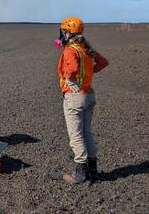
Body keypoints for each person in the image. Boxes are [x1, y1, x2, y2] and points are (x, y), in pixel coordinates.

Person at [56, 17, 109, 184]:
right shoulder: (85, 48)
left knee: (76, 136)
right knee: (87, 133)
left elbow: (71, 69)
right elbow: (103, 62)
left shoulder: (70, 50)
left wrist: (70, 81)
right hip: (89, 95)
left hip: (75, 98)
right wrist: (88, 73)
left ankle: (80, 173)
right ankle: (93, 170)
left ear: (66, 32)